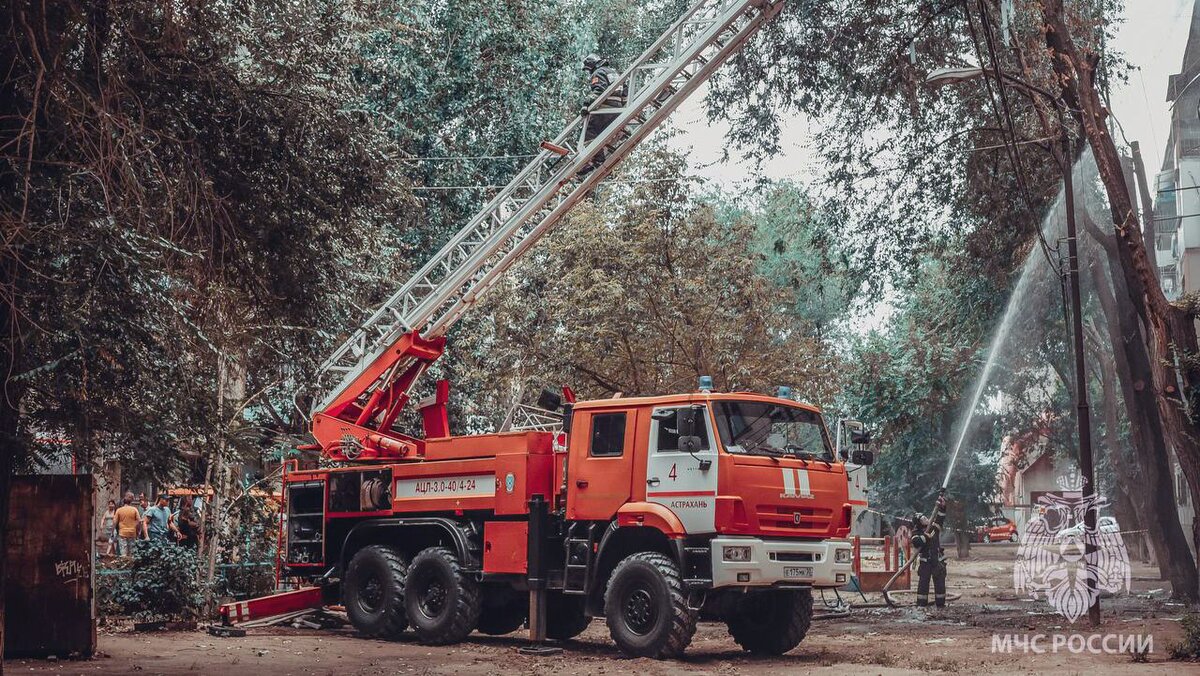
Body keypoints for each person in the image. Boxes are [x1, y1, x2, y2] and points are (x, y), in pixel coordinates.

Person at [578, 53, 627, 175]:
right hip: (617, 110)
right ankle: (595, 159)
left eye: (588, 70)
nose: (589, 73)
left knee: (589, 132)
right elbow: (625, 90)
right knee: (603, 134)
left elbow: (599, 90)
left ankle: (596, 159)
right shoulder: (613, 73)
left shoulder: (598, 73)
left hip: (605, 108)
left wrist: (586, 104)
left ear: (591, 66)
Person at [912, 494, 948, 608]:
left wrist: (942, 507)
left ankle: (941, 605)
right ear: (919, 523)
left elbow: (940, 519)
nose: (926, 518)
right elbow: (917, 542)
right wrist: (925, 536)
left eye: (925, 517)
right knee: (923, 584)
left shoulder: (933, 528)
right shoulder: (916, 533)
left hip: (937, 561)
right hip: (925, 563)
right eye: (923, 519)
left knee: (940, 584)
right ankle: (921, 604)